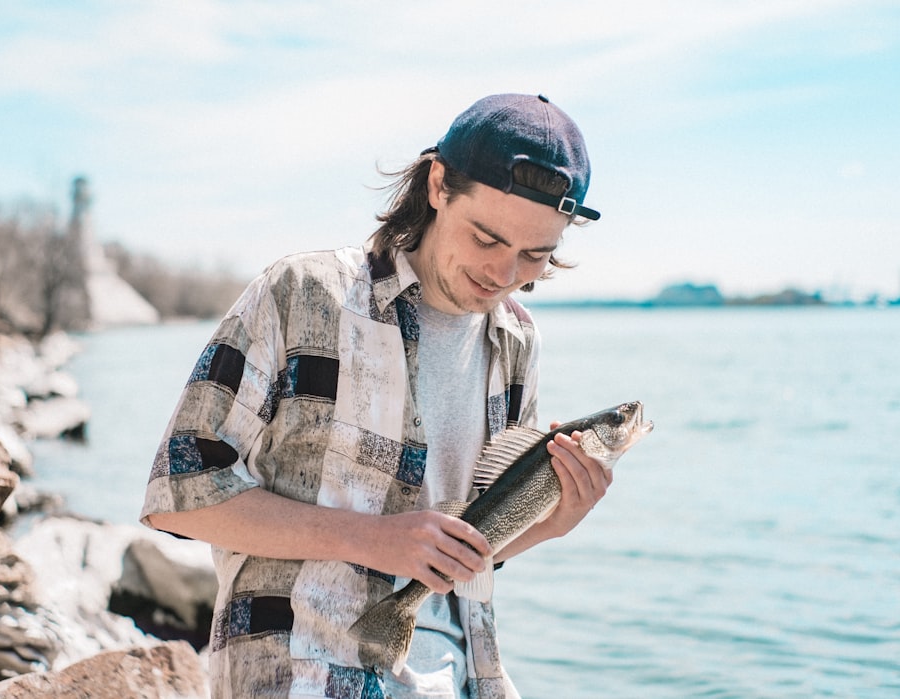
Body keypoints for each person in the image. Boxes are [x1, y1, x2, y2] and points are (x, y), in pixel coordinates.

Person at [140, 93, 612, 699]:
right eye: (487, 238)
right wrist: (371, 538)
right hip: (303, 677)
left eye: (534, 255)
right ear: (439, 185)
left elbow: (462, 558)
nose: (503, 272)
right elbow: (177, 498)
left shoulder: (516, 341)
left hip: (470, 681)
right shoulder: (304, 293)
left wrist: (553, 526)